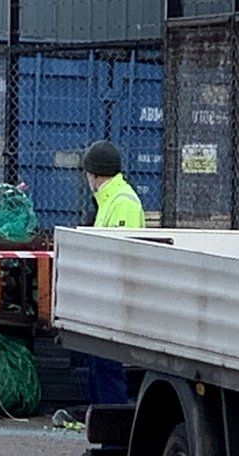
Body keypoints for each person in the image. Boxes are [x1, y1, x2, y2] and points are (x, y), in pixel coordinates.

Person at [83, 140, 145, 406]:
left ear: (94, 174)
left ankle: (115, 433)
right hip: (103, 299)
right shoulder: (110, 199)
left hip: (112, 301)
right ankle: (106, 426)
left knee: (108, 370)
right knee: (99, 367)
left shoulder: (122, 202)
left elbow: (121, 255)